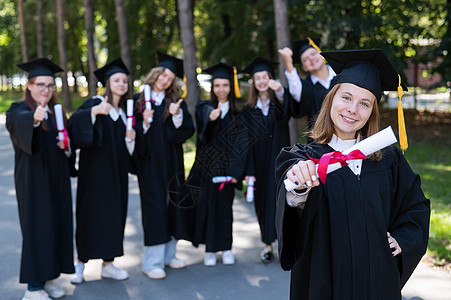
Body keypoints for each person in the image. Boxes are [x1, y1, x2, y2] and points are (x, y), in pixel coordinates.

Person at [275, 49, 430, 299]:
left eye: (364, 103)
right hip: (325, 281)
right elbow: (291, 205)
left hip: (377, 280)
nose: (353, 110)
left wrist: (404, 239)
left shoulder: (388, 159)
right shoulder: (304, 158)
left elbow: (415, 206)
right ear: (331, 99)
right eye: (346, 97)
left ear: (372, 112)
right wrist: (298, 185)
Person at [6, 58, 74, 300]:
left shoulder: (57, 113)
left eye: (50, 85)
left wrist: (66, 146)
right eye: (41, 84)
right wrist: (35, 119)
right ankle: (33, 288)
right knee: (38, 229)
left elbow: (67, 145)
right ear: (29, 86)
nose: (46, 90)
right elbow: (20, 129)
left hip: (57, 180)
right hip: (33, 181)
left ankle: (49, 279)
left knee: (57, 227)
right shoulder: (18, 110)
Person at [69, 58, 135, 284]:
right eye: (117, 80)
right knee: (90, 216)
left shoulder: (126, 112)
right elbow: (74, 125)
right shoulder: (94, 103)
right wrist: (94, 112)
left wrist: (131, 139)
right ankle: (80, 264)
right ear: (107, 83)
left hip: (117, 176)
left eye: (124, 81)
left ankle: (108, 264)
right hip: (94, 175)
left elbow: (128, 150)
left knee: (114, 217)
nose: (121, 84)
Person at [133, 52, 195, 279]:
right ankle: (151, 262)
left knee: (173, 206)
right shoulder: (138, 101)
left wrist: (177, 116)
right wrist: (146, 122)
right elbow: (133, 136)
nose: (166, 80)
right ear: (155, 74)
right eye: (163, 75)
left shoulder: (175, 103)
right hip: (149, 164)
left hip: (172, 162)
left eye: (170, 78)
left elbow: (185, 132)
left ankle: (169, 256)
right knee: (155, 208)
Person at [185, 63, 248, 266]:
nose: (221, 89)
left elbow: (243, 144)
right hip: (208, 169)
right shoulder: (204, 108)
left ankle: (227, 248)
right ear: (212, 87)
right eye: (217, 85)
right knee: (209, 208)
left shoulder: (239, 115)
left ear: (231, 87)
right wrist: (211, 119)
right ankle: (210, 249)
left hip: (228, 171)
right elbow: (203, 134)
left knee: (225, 210)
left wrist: (237, 172)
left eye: (225, 85)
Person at [242, 57, 291, 263]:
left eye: (265, 77)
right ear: (253, 82)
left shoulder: (279, 101)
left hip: (280, 162)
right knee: (263, 204)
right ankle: (267, 245)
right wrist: (249, 170)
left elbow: (286, 116)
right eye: (257, 78)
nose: (261, 81)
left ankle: (285, 245)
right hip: (260, 164)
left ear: (270, 79)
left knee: (283, 203)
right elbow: (245, 141)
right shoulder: (249, 109)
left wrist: (279, 91)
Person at [278, 37, 336, 131]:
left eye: (313, 54)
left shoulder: (341, 76)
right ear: (304, 68)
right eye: (305, 60)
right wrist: (288, 62)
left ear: (322, 55)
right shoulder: (306, 87)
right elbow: (296, 91)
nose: (311, 59)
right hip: (320, 139)